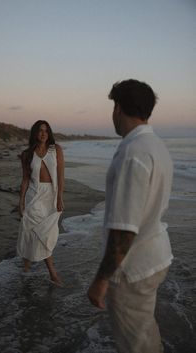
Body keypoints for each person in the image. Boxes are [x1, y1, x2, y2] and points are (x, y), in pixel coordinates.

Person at [87, 79, 173, 353]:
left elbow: (125, 229)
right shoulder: (156, 145)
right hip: (154, 255)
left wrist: (101, 280)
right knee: (144, 331)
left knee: (135, 345)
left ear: (119, 108)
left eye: (114, 105)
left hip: (133, 267)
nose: (112, 112)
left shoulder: (133, 153)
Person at [17, 120, 64, 286]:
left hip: (51, 196)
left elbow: (60, 175)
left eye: (45, 130)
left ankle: (26, 267)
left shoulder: (55, 150)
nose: (43, 133)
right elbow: (25, 180)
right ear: (35, 133)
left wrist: (59, 197)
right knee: (38, 232)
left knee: (45, 233)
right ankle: (53, 273)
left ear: (48, 133)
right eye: (39, 130)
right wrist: (21, 202)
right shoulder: (27, 154)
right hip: (34, 195)